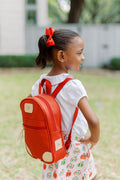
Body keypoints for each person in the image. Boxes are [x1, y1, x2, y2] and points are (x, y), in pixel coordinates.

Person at [29, 27, 100, 180]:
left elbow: (28, 106)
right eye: (79, 53)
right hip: (74, 146)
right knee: (89, 176)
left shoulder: (40, 83)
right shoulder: (73, 85)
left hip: (51, 145)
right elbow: (93, 121)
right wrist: (93, 138)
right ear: (61, 55)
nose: (83, 57)